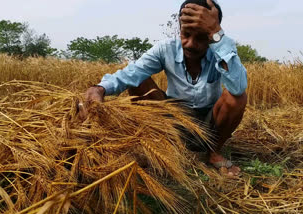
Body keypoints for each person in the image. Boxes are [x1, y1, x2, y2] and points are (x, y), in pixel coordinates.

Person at [81, 0, 247, 176]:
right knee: (138, 82)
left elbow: (238, 87)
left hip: (210, 122)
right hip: (172, 118)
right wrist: (99, 89)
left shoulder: (222, 51)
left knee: (236, 97)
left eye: (200, 37)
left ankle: (214, 152)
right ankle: (164, 145)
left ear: (212, 33)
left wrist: (216, 34)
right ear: (179, 28)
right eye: (186, 34)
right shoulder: (165, 49)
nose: (190, 43)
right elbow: (131, 73)